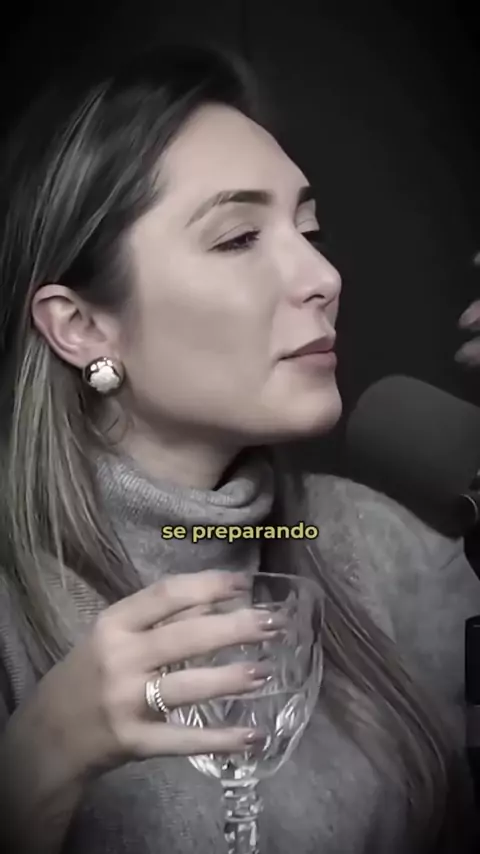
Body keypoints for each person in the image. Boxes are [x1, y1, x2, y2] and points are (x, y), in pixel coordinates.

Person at [0, 42, 478, 854]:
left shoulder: (385, 548)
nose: (322, 275)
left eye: (309, 227)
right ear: (80, 326)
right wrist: (34, 772)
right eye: (237, 239)